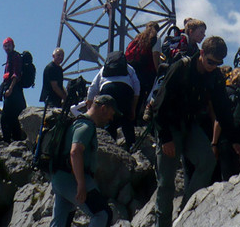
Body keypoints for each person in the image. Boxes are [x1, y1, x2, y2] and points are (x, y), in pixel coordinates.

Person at [153, 36, 240, 227]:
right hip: (169, 126)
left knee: (208, 160)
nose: (213, 66)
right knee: (166, 183)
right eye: (210, 61)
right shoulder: (181, 68)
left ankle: (185, 214)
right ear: (202, 53)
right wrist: (165, 138)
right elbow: (159, 106)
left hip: (189, 126)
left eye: (218, 63)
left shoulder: (216, 77)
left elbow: (223, 111)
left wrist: (235, 140)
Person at [50, 94, 118, 227]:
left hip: (59, 178)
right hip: (72, 178)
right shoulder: (86, 126)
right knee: (102, 214)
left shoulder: (76, 122)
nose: (111, 118)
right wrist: (81, 184)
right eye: (111, 113)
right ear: (103, 108)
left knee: (61, 221)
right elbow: (75, 152)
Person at [87, 51, 140, 149]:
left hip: (107, 90)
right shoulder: (129, 68)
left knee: (109, 121)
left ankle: (110, 146)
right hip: (125, 90)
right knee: (127, 121)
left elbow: (92, 88)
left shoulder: (103, 69)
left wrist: (89, 109)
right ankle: (132, 147)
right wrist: (133, 108)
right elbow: (137, 87)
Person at [125, 22, 160, 117]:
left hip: (133, 70)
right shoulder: (154, 39)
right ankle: (142, 116)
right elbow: (155, 55)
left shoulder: (137, 38)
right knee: (149, 94)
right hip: (147, 72)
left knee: (135, 95)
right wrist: (158, 71)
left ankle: (132, 117)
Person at [0, 37, 26, 142]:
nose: (7, 48)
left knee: (6, 117)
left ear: (13, 46)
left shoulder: (16, 57)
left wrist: (10, 89)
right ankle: (14, 138)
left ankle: (8, 139)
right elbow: (6, 77)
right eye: (5, 46)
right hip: (11, 90)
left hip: (14, 90)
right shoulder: (9, 58)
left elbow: (15, 74)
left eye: (8, 45)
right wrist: (0, 92)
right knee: (12, 116)